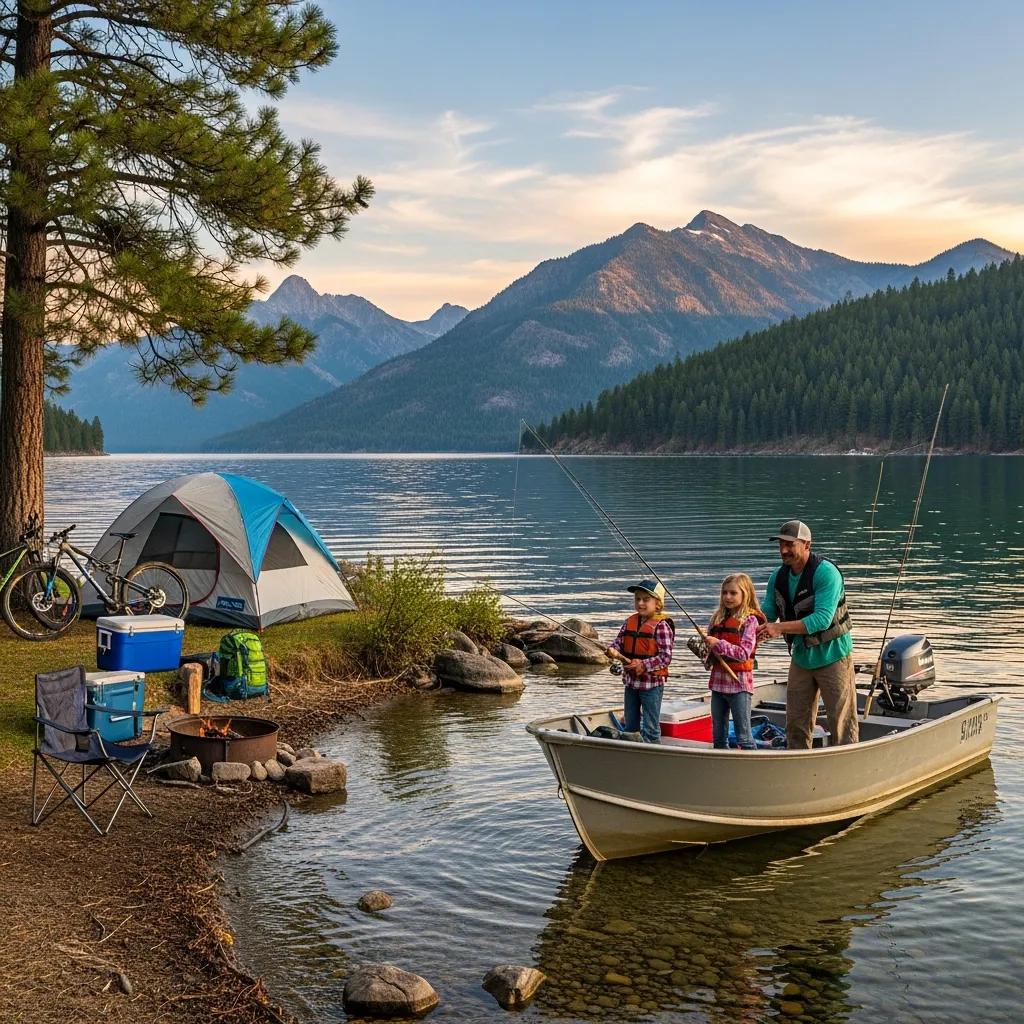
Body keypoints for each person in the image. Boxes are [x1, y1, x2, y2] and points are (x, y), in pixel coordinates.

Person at [757, 520, 857, 748]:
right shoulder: (777, 577)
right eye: (780, 544)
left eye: (790, 544)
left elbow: (822, 619)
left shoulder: (826, 573)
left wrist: (779, 628)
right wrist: (745, 629)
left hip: (833, 656)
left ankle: (846, 762)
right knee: (795, 723)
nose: (783, 550)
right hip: (802, 657)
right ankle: (797, 761)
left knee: (841, 723)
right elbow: (767, 614)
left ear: (807, 545)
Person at [605, 579, 675, 743]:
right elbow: (619, 642)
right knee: (630, 726)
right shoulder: (629, 622)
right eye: (637, 599)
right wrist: (612, 650)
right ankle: (632, 750)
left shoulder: (662, 626)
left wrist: (643, 665)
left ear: (657, 604)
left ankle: (653, 749)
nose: (640, 603)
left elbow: (665, 657)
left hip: (651, 685)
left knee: (650, 728)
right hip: (631, 683)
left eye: (646, 599)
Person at [705, 573, 766, 750]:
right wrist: (706, 653)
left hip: (739, 685)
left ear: (745, 594)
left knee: (743, 736)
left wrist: (718, 644)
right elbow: (711, 653)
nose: (728, 597)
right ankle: (721, 763)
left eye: (733, 593)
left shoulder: (750, 621)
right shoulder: (717, 619)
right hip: (718, 684)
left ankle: (752, 763)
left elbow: (744, 653)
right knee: (718, 736)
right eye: (725, 593)